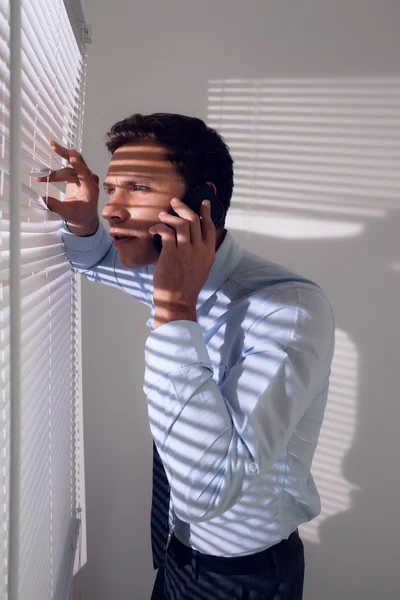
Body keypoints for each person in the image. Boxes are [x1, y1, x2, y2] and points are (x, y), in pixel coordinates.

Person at [38, 113, 335, 600]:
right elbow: (93, 257)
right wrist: (83, 219)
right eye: (112, 189)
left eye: (136, 187)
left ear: (203, 201)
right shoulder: (169, 271)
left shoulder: (287, 310)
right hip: (178, 553)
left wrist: (175, 311)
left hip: (241, 578)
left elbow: (207, 493)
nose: (114, 208)